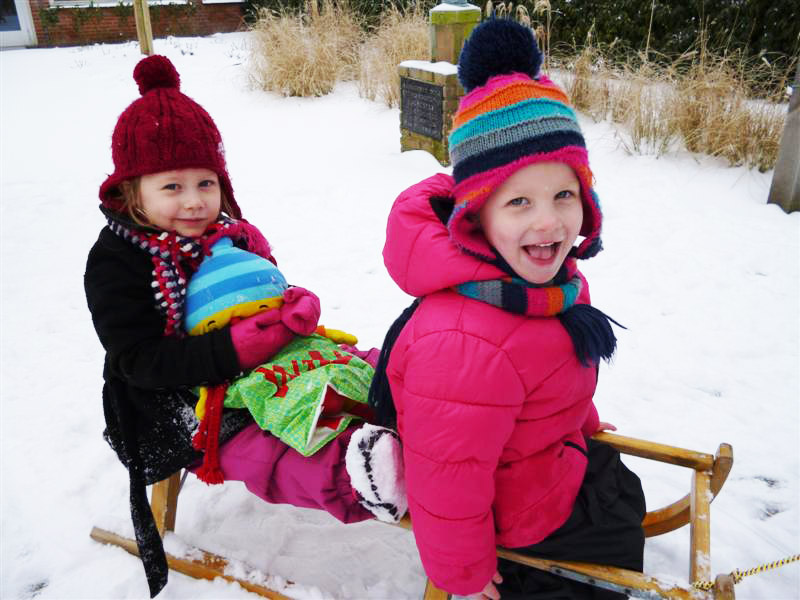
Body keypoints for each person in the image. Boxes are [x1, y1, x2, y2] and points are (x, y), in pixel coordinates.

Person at [84, 55, 404, 598]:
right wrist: (232, 350)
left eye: (206, 182)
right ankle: (366, 473)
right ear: (132, 191)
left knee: (344, 365)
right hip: (175, 402)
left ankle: (415, 391)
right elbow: (137, 360)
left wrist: (289, 308)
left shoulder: (232, 235)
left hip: (261, 363)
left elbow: (257, 290)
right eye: (172, 186)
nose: (194, 200)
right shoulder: (117, 261)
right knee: (268, 443)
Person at [370, 19, 646, 599]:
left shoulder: (548, 285)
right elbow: (445, 478)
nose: (548, 221)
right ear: (477, 214)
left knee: (621, 496)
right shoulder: (465, 343)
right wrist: (464, 576)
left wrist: (580, 421)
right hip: (514, 516)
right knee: (605, 538)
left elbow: (553, 372)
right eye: (519, 201)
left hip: (547, 461)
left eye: (563, 195)